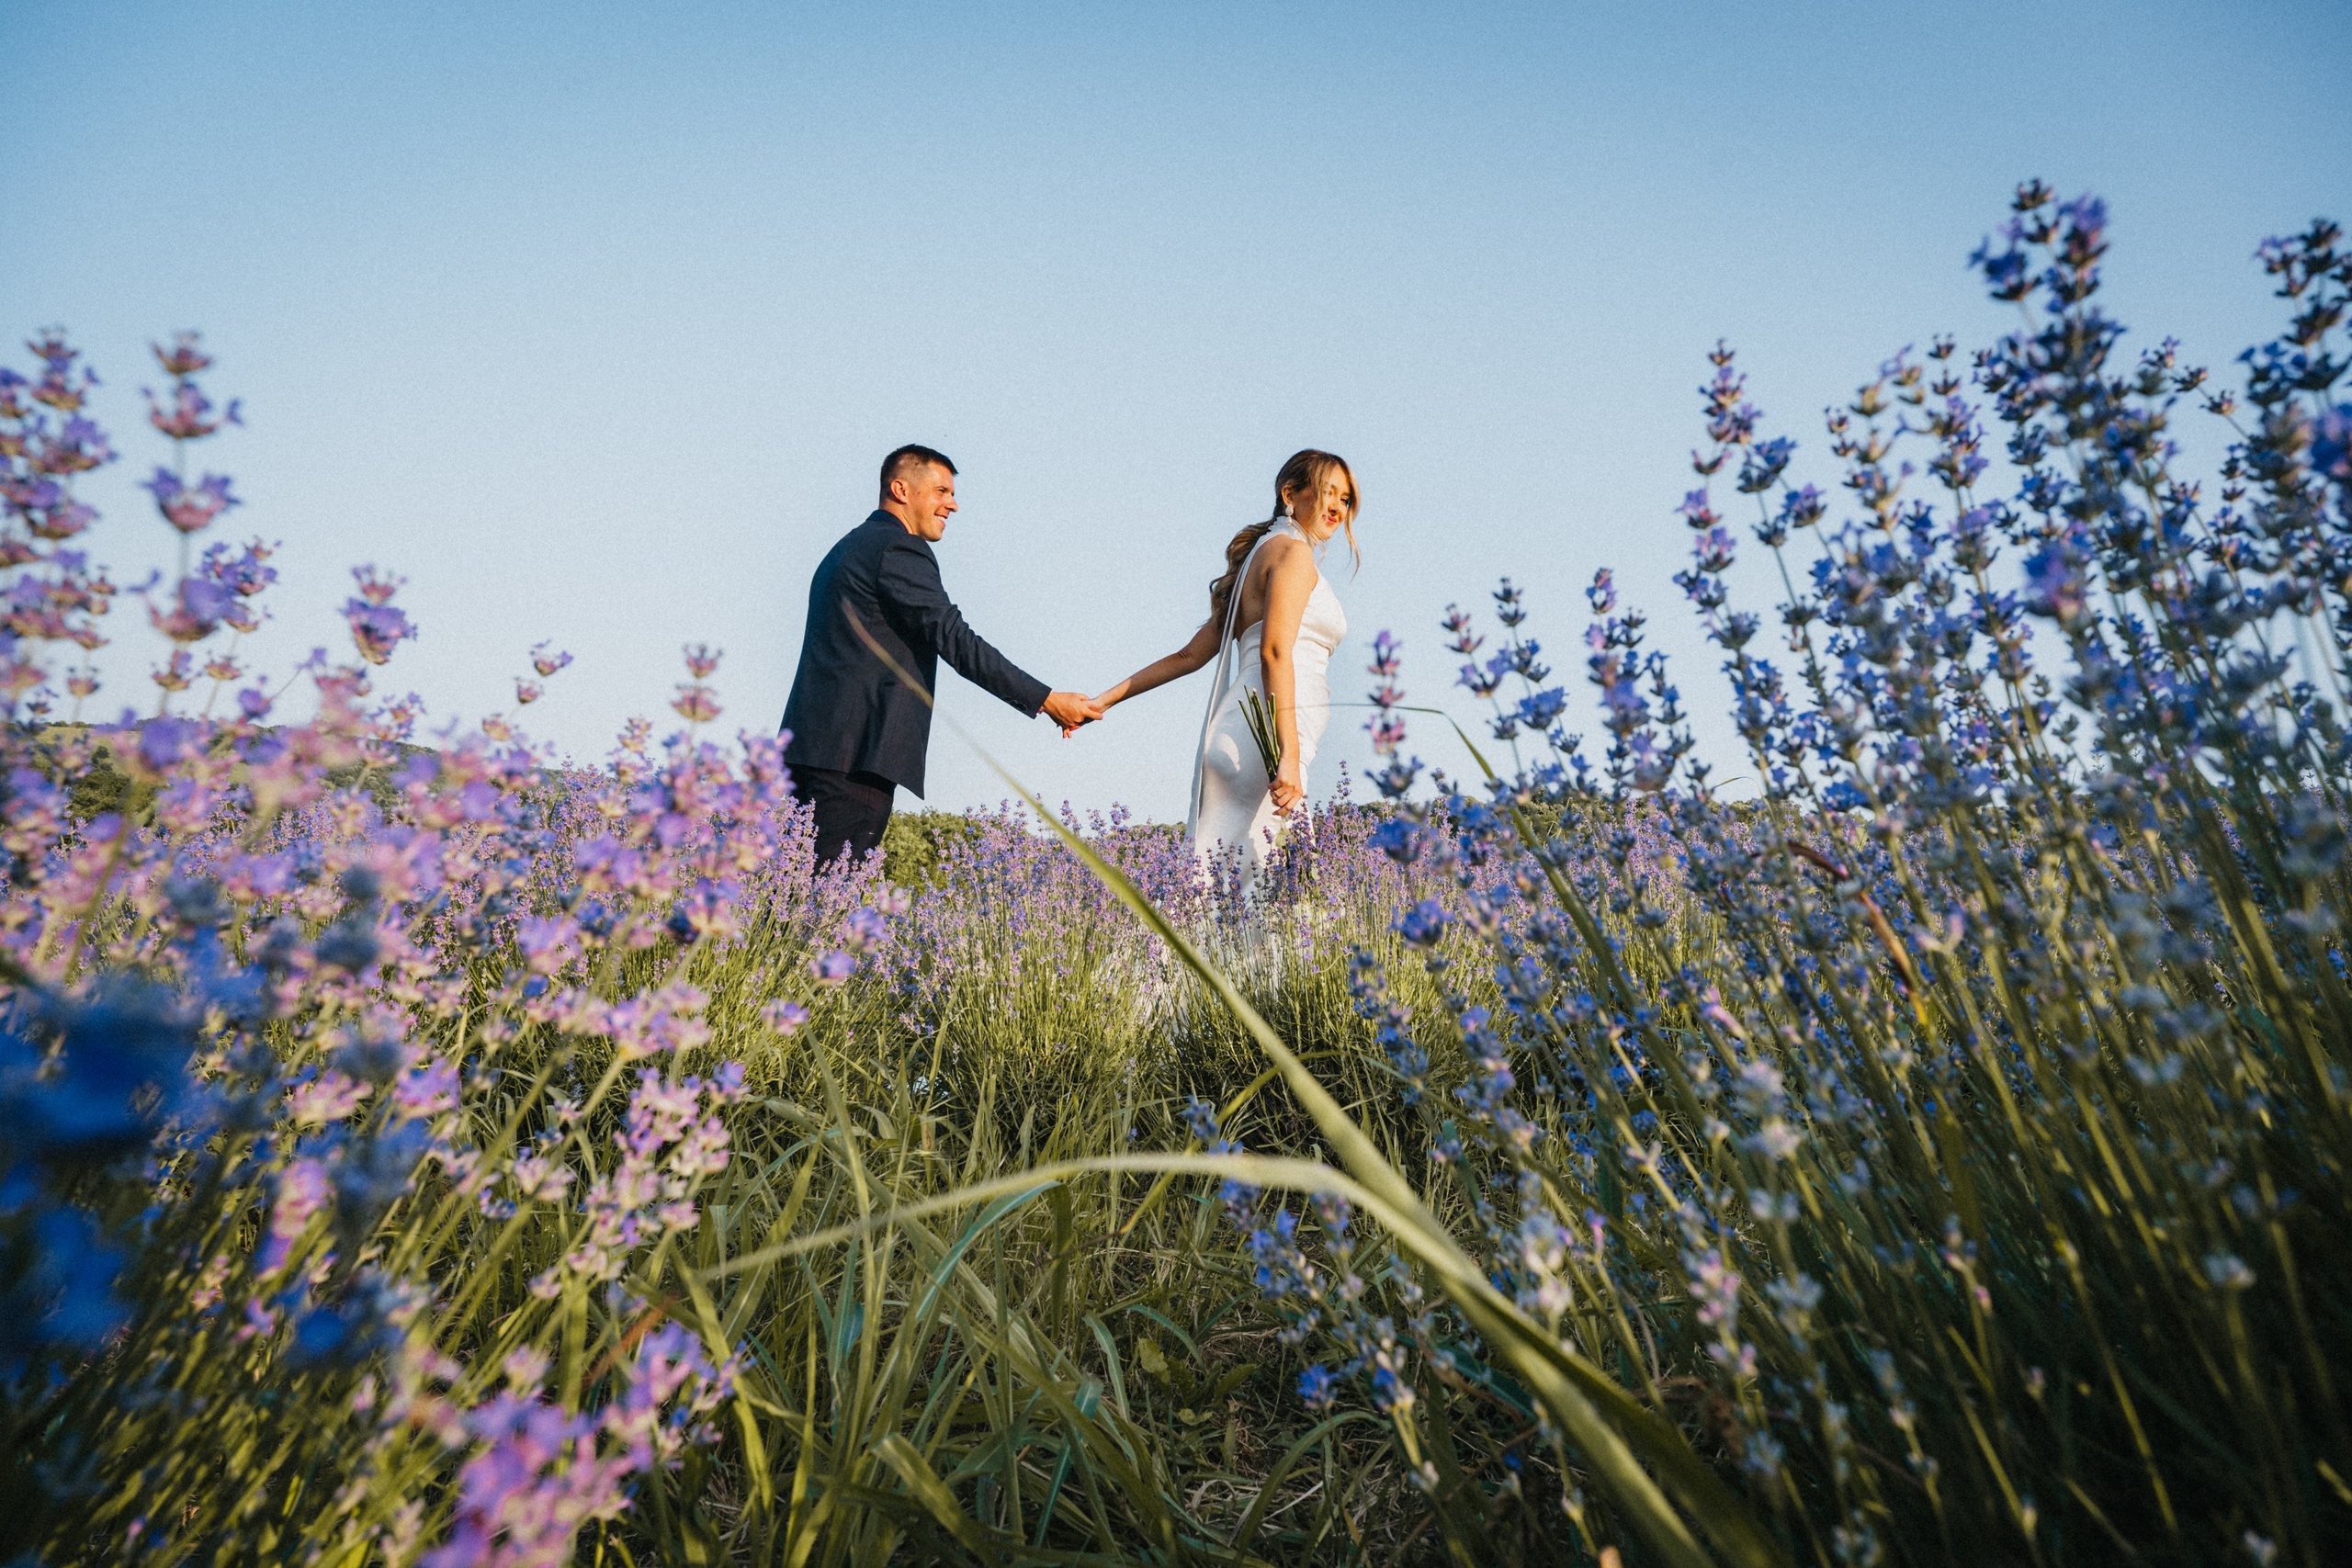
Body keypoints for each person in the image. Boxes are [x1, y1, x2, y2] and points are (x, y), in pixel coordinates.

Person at [780, 445, 1102, 865]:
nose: (952, 503)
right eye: (940, 491)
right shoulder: (898, 549)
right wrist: (1046, 699)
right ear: (901, 489)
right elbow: (955, 639)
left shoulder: (847, 548)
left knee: (786, 904)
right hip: (854, 761)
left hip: (808, 753)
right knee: (821, 909)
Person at [1082, 449, 1356, 900]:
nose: (1336, 509)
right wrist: (1287, 753)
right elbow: (1273, 652)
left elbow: (1189, 656)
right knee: (1250, 893)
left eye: (1345, 500)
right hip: (1266, 738)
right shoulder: (1293, 554)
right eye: (1328, 493)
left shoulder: (1256, 560)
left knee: (1212, 885)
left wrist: (1102, 701)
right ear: (1290, 494)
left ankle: (1163, 968)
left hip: (1236, 729)